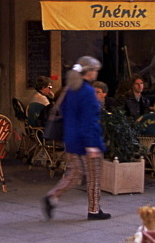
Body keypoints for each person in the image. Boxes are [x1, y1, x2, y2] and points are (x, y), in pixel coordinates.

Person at [42, 56, 110, 221]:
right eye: (95, 70)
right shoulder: (87, 92)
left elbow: (65, 112)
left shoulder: (70, 89)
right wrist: (92, 145)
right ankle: (94, 210)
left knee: (74, 173)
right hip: (87, 140)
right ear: (89, 72)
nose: (96, 73)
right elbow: (89, 120)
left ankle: (52, 196)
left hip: (71, 138)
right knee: (94, 176)